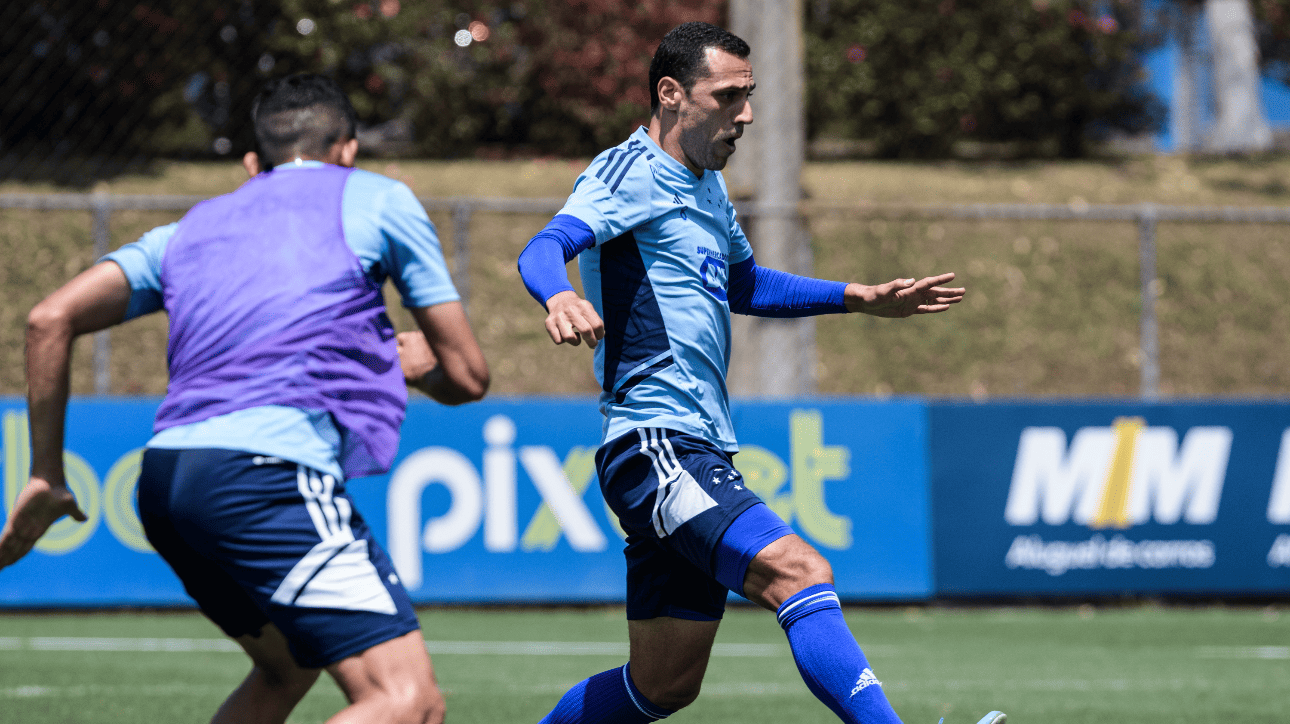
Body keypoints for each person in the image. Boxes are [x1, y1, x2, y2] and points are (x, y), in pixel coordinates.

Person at [517, 22, 1002, 724]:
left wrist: (857, 298)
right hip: (655, 442)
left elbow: (744, 286)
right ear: (671, 93)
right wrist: (559, 294)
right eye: (730, 96)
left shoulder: (707, 186)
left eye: (750, 95)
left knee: (662, 685)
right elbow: (546, 245)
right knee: (799, 571)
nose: (745, 113)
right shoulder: (628, 171)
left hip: (693, 445)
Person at [0, 74, 489, 724]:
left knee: (287, 667)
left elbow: (48, 320)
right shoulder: (377, 198)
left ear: (252, 165)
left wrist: (45, 473)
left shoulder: (188, 229)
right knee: (408, 703)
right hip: (266, 475)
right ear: (347, 152)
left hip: (165, 481)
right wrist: (414, 368)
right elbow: (468, 376)